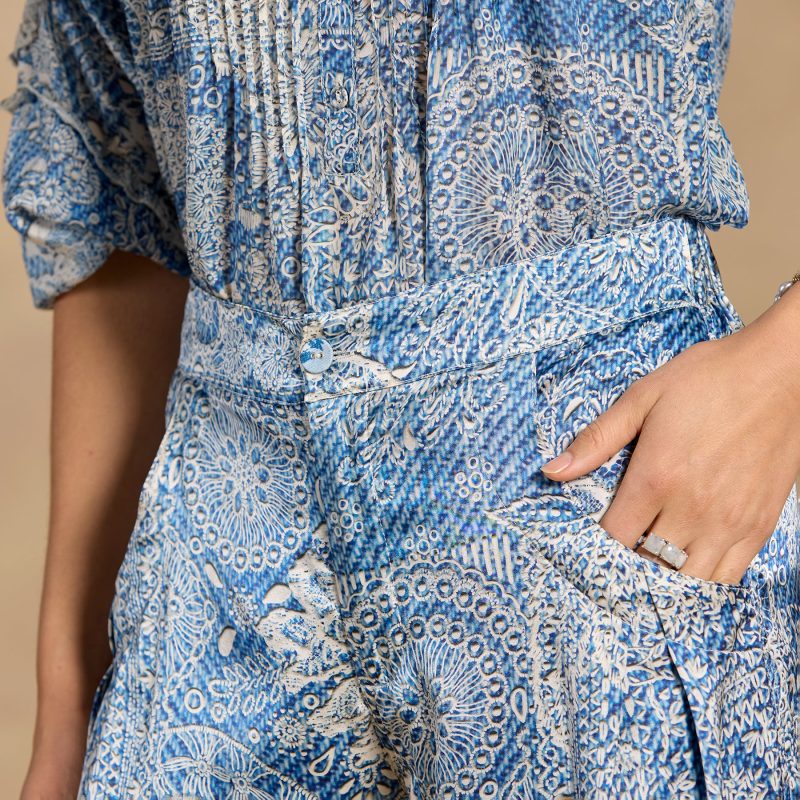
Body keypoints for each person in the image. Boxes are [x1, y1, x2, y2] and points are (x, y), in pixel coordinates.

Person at [3, 0, 799, 797]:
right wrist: (67, 712)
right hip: (217, 555)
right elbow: (116, 179)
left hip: (602, 499)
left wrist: (782, 374)